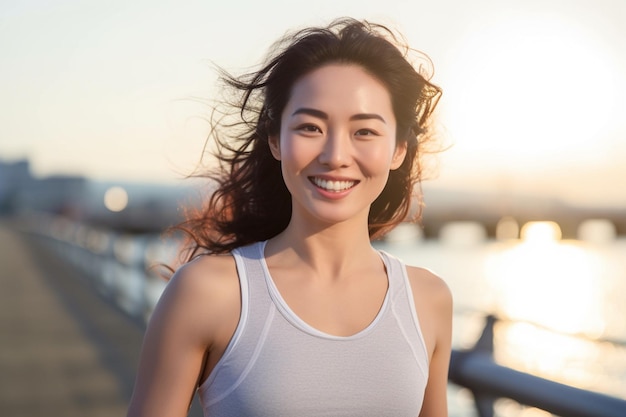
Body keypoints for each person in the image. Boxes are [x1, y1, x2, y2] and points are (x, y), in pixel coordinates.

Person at [127, 17, 452, 417]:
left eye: (364, 132)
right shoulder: (208, 292)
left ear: (399, 150)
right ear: (276, 139)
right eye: (310, 127)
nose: (335, 155)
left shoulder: (428, 300)